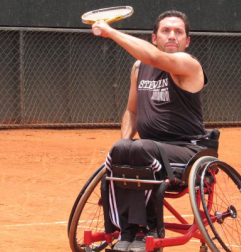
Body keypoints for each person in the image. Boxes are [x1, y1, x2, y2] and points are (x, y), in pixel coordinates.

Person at [92, 10, 209, 252]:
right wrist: (123, 151)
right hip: (148, 151)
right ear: (154, 38)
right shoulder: (138, 68)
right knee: (122, 148)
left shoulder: (188, 64)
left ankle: (148, 230)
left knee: (142, 148)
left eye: (178, 32)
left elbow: (155, 58)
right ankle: (128, 231)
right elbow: (132, 111)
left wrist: (111, 32)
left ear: (187, 41)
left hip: (186, 151)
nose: (172, 36)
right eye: (165, 31)